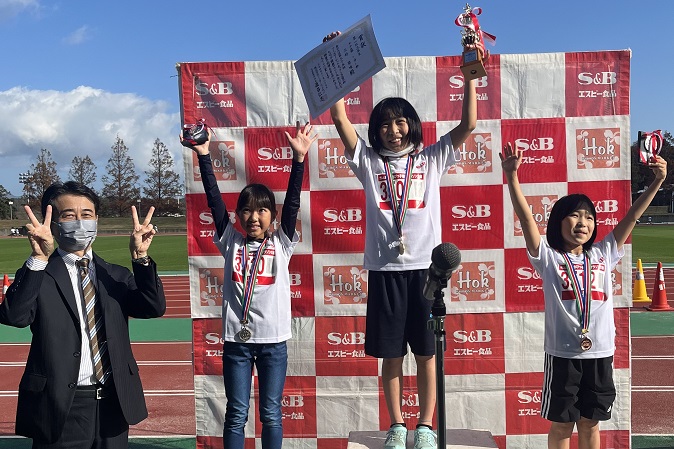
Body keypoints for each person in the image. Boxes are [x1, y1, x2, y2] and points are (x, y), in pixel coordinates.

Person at [323, 31, 480, 449]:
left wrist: (469, 77)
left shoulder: (431, 158)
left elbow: (468, 125)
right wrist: (337, 61)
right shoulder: (368, 161)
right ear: (375, 130)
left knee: (427, 355)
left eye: (400, 121)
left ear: (411, 125)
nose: (393, 130)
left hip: (426, 276)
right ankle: (396, 424)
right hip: (385, 273)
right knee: (391, 356)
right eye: (384, 124)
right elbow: (339, 118)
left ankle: (425, 426)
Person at [500, 143, 667, 449]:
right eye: (574, 216)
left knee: (590, 423)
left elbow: (631, 217)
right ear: (558, 222)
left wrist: (656, 181)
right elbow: (526, 221)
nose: (583, 223)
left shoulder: (604, 252)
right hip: (564, 355)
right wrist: (512, 177)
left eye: (589, 217)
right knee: (563, 424)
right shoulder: (549, 258)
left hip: (600, 353)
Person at [0, 181, 166, 448]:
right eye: (69, 215)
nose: (79, 222)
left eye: (86, 215)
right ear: (52, 221)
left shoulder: (116, 275)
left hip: (114, 403)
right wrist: (38, 258)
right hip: (59, 405)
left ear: (97, 219)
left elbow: (152, 307)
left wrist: (141, 258)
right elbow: (15, 316)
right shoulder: (39, 274)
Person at [185, 122, 316, 449]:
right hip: (237, 343)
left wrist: (298, 161)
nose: (254, 217)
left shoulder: (282, 243)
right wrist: (204, 155)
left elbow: (294, 201)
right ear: (238, 216)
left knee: (271, 413)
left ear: (272, 216)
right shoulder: (230, 241)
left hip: (273, 342)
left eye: (262, 210)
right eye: (246, 210)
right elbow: (214, 200)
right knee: (236, 412)